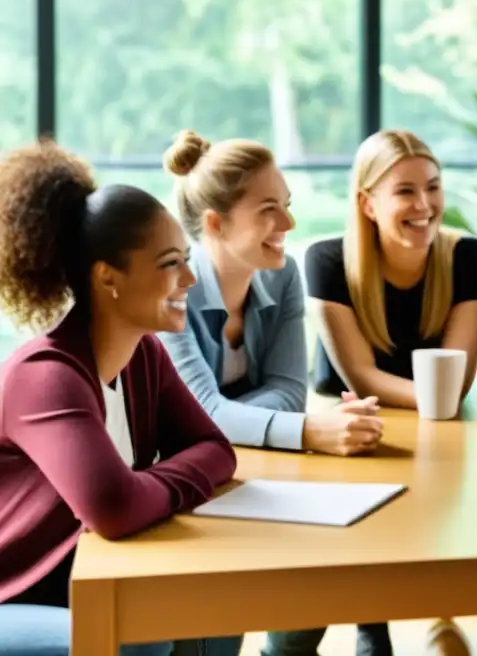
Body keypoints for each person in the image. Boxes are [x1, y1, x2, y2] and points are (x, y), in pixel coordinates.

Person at [305, 129, 477, 653]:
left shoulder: (467, 256)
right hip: (354, 405)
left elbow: (461, 375)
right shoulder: (328, 260)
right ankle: (370, 620)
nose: (425, 205)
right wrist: (436, 406)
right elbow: (362, 376)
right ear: (367, 203)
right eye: (405, 191)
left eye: (434, 187)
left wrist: (440, 411)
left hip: (440, 403)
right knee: (375, 487)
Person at [0, 141, 238, 655]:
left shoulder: (145, 356)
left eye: (187, 260)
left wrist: (140, 488)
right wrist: (139, 492)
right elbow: (113, 509)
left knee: (221, 606)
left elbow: (217, 449)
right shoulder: (44, 375)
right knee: (137, 637)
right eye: (170, 264)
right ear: (108, 277)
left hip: (87, 578)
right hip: (16, 595)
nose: (190, 280)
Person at [157, 131, 383, 656]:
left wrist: (231, 420)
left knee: (320, 570)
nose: (288, 225)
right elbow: (206, 414)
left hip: (245, 472)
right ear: (215, 222)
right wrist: (304, 431)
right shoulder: (172, 286)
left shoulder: (282, 278)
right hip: (179, 490)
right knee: (215, 634)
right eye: (268, 210)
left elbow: (286, 392)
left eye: (286, 206)